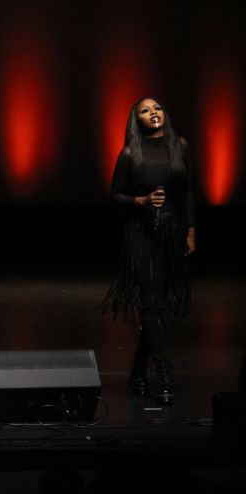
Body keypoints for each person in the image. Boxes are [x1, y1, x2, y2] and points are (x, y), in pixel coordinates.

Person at [102, 97, 196, 406]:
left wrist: (190, 230)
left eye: (157, 108)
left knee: (158, 306)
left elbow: (187, 192)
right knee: (151, 305)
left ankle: (138, 369)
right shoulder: (131, 153)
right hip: (142, 233)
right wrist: (140, 201)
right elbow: (115, 195)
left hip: (172, 231)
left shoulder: (180, 146)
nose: (153, 113)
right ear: (137, 120)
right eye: (145, 110)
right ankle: (164, 372)